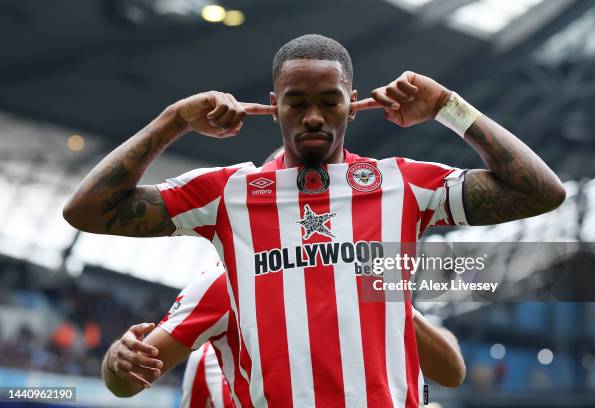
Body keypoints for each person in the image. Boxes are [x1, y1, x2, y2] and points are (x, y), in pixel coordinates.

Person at [66, 34, 564, 407]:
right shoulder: (228, 193)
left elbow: (540, 191)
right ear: (273, 104)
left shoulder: (403, 186)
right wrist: (173, 119)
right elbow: (87, 210)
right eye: (297, 102)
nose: (313, 117)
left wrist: (446, 107)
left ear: (352, 103)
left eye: (329, 101)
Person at [102, 257, 465, 406]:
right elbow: (126, 381)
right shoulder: (227, 281)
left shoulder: (366, 274)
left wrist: (388, 295)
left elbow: (452, 372)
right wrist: (117, 360)